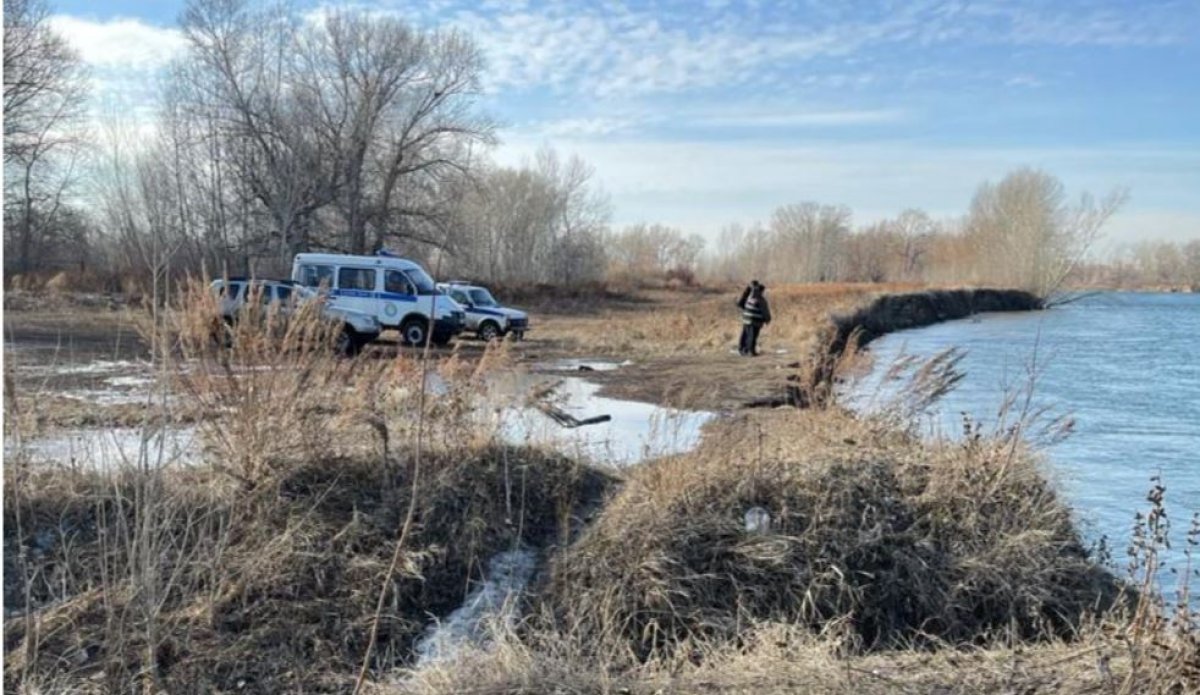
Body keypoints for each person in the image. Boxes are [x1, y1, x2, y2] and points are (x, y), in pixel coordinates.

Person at [738, 282, 771, 356]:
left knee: (745, 335)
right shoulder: (760, 299)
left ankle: (743, 349)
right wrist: (767, 319)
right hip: (755, 320)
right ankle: (750, 351)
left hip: (746, 319)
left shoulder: (749, 296)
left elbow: (741, 304)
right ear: (761, 291)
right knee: (752, 336)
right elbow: (764, 310)